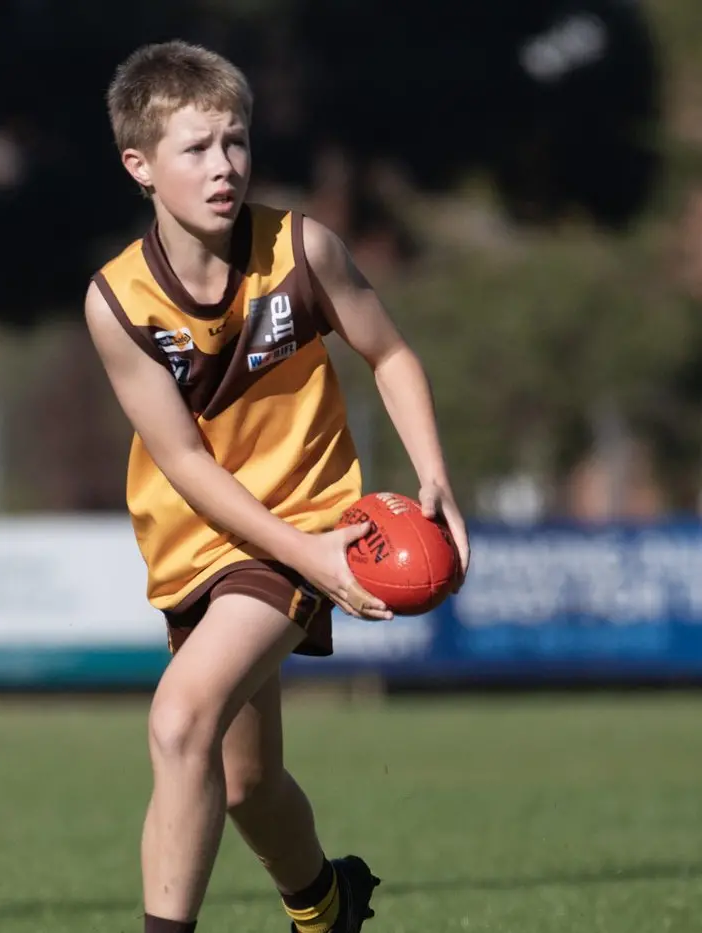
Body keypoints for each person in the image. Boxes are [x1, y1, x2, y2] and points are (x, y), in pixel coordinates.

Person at [84, 41, 472, 933]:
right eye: (196, 149)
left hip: (308, 523)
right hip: (206, 544)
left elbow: (392, 352)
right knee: (245, 783)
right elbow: (182, 461)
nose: (224, 166)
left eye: (237, 142)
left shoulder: (304, 250)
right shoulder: (116, 302)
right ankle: (327, 906)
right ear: (139, 166)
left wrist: (435, 479)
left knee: (179, 720)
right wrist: (299, 556)